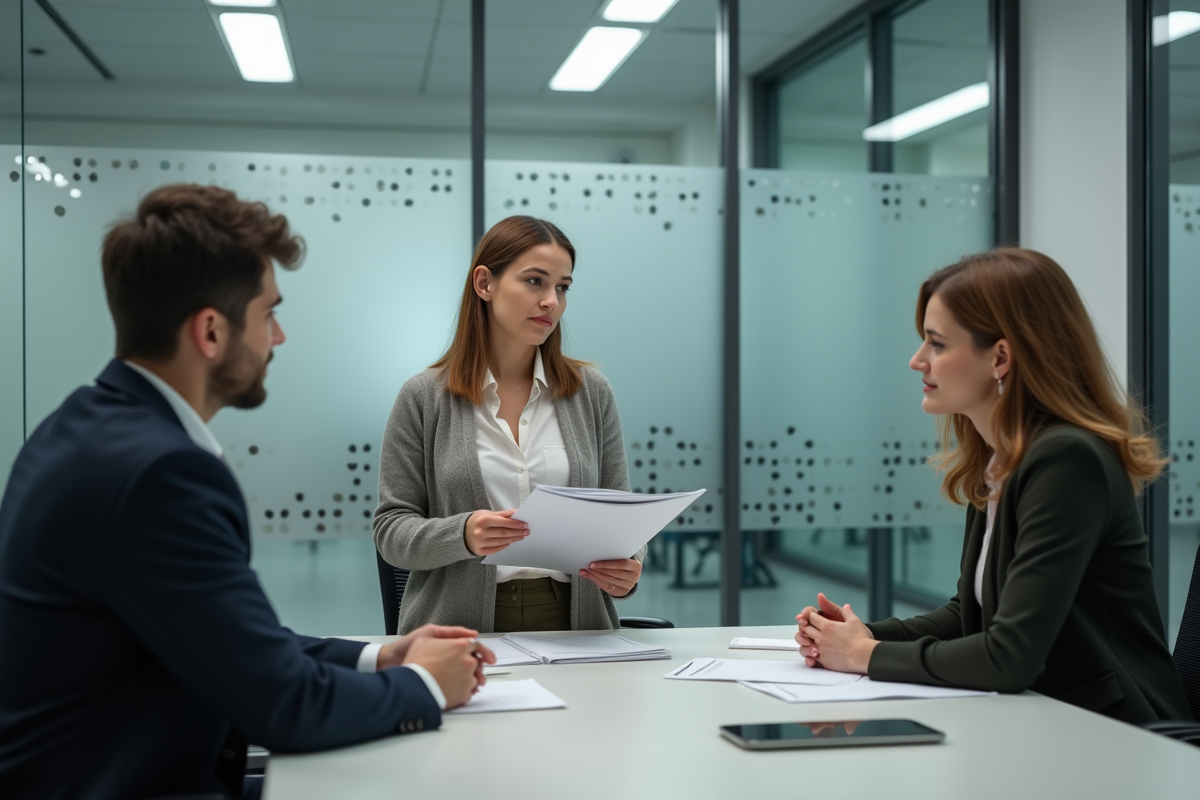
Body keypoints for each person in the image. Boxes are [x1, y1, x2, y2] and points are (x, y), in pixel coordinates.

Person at [0, 184, 495, 800]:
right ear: (210, 331)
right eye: (268, 313)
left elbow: (229, 639)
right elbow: (284, 705)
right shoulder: (160, 475)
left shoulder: (84, 428)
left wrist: (381, 658)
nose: (277, 337)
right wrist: (425, 685)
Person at [795, 248, 1191, 725]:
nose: (917, 361)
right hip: (1047, 720)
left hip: (1119, 734)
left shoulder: (1067, 460)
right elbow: (969, 615)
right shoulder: (1001, 460)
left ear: (1000, 357)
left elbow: (1008, 657)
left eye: (937, 344)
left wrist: (864, 654)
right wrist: (858, 636)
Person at [375, 215, 642, 634]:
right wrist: (463, 534)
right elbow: (391, 530)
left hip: (579, 629)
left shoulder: (591, 392)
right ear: (485, 284)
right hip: (456, 630)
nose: (551, 301)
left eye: (562, 287)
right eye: (535, 281)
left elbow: (620, 514)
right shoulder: (422, 396)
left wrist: (629, 566)